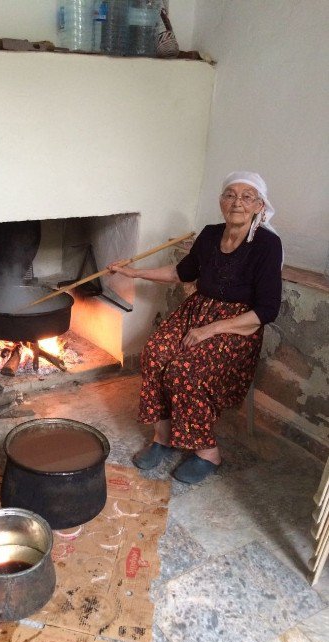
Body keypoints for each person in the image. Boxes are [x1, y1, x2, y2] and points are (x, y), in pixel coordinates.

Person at [108, 171, 283, 484]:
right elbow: (181, 272)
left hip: (237, 324)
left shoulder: (267, 245)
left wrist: (211, 330)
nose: (237, 202)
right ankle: (163, 437)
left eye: (247, 196)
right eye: (230, 194)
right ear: (220, 201)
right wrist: (131, 272)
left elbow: (267, 309)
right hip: (198, 311)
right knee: (155, 353)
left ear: (259, 205)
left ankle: (207, 452)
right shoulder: (210, 233)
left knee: (185, 371)